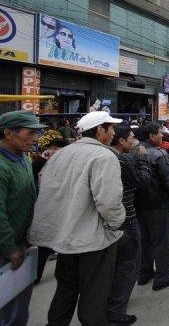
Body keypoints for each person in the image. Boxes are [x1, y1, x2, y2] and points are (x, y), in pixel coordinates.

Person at [29, 111, 125, 326]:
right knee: (94, 295)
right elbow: (109, 202)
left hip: (65, 237)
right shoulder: (104, 156)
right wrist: (117, 224)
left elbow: (47, 189)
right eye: (111, 128)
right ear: (100, 130)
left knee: (66, 288)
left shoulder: (62, 154)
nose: (114, 133)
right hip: (93, 240)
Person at [0, 111, 46, 325]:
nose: (35, 138)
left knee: (19, 305)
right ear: (8, 133)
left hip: (22, 243)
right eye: (30, 133)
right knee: (8, 310)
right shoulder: (2, 166)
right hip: (7, 249)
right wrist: (10, 248)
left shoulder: (23, 158)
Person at [107, 125, 152, 325]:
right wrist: (142, 158)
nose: (135, 142)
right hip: (125, 217)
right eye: (132, 138)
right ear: (122, 141)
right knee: (128, 266)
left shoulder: (104, 156)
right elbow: (143, 181)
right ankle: (116, 312)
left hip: (108, 219)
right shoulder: (122, 159)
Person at [135, 123, 169, 291]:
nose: (162, 136)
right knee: (162, 241)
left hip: (138, 205)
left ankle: (144, 273)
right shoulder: (159, 154)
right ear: (151, 136)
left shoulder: (131, 152)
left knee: (144, 240)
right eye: (159, 133)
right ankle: (163, 277)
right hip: (158, 204)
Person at [32, 138, 68, 285]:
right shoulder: (41, 162)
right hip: (47, 208)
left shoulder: (54, 161)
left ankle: (41, 275)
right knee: (45, 246)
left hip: (57, 207)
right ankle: (36, 275)